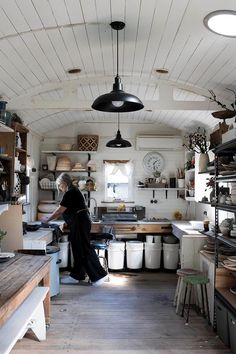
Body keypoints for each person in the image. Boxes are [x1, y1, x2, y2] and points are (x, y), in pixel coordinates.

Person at [42, 173, 108, 287]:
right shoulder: (73, 191)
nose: (60, 189)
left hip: (79, 223)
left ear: (64, 183)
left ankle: (99, 276)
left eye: (60, 186)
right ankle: (76, 276)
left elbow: (59, 211)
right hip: (79, 222)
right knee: (78, 250)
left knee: (84, 249)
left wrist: (47, 219)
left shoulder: (71, 192)